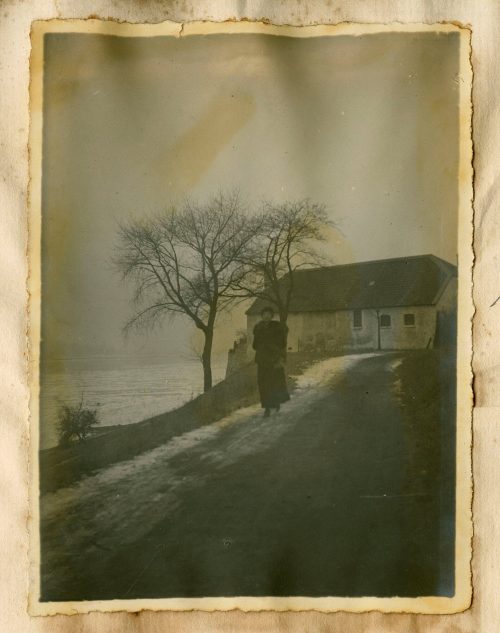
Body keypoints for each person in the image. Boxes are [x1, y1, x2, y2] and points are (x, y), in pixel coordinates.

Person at [252, 306, 290, 417]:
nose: (266, 316)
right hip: (262, 360)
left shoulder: (277, 327)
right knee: (263, 384)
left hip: (274, 360)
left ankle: (276, 403)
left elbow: (283, 343)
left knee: (275, 383)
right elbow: (255, 345)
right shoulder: (258, 328)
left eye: (269, 314)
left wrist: (277, 352)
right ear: (262, 315)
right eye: (264, 314)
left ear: (272, 315)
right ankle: (267, 408)